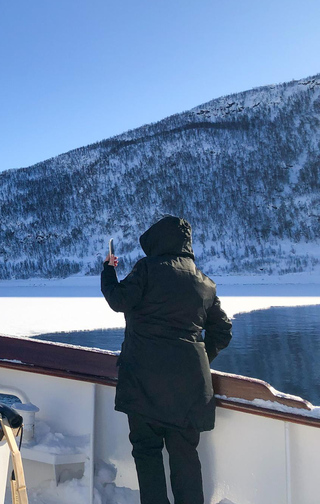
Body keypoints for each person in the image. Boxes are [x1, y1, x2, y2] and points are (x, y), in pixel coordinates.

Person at [101, 216, 233, 504]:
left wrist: (108, 271)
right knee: (185, 458)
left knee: (147, 453)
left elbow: (118, 300)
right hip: (189, 390)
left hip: (144, 384)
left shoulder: (147, 270)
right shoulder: (204, 282)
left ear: (156, 242)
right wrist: (199, 357)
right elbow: (222, 330)